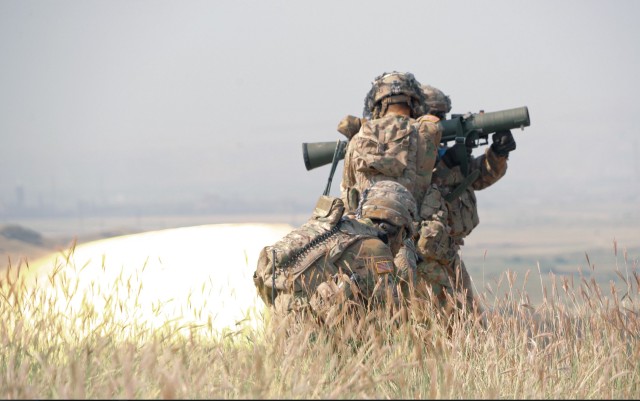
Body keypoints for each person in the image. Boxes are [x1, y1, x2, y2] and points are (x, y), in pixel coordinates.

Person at [253, 180, 420, 327]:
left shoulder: (339, 229)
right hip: (310, 335)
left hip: (281, 323)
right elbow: (392, 316)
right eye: (405, 236)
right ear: (399, 229)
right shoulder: (375, 248)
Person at [415, 84, 516, 316]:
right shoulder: (411, 154)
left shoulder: (442, 150)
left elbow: (476, 178)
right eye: (434, 116)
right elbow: (419, 190)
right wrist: (444, 165)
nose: (439, 122)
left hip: (447, 252)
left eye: (442, 116)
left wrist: (498, 154)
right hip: (422, 254)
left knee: (469, 323)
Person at [339, 71, 441, 217]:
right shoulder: (425, 136)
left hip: (365, 231)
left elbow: (347, 191)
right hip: (408, 233)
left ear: (379, 103)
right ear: (412, 102)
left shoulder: (358, 137)